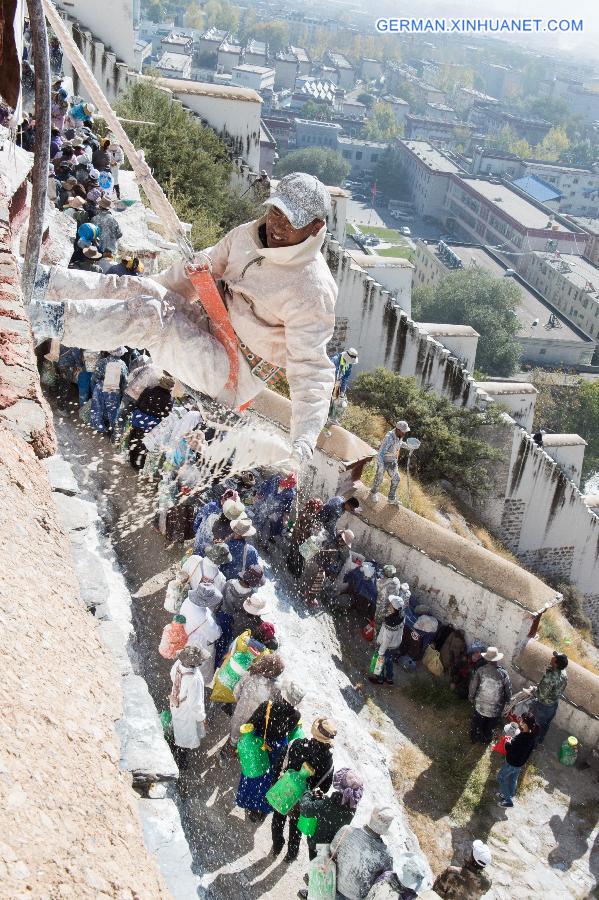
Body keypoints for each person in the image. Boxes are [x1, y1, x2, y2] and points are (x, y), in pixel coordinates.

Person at [29, 172, 337, 465]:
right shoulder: (246, 236)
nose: (277, 227)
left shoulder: (312, 290)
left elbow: (311, 369)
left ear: (315, 227)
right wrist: (146, 293)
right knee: (139, 289)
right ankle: (43, 282)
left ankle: (48, 320)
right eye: (276, 213)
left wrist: (305, 437)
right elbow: (198, 271)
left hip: (233, 371)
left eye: (290, 221)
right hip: (208, 323)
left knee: (150, 318)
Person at [237, 681, 304, 822]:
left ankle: (249, 803)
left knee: (254, 774)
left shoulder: (267, 706)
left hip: (260, 745)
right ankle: (262, 808)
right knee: (269, 779)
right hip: (278, 750)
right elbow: (289, 731)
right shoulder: (296, 715)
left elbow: (251, 723)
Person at [271, 717, 336, 862]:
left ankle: (277, 845)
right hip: (302, 800)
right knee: (295, 829)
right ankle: (291, 855)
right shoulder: (329, 762)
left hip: (285, 790)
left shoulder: (297, 743)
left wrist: (275, 782)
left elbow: (280, 763)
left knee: (278, 819)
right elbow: (325, 788)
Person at [299, 767, 363, 862]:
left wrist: (308, 794)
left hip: (317, 844)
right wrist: (323, 798)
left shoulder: (327, 804)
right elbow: (336, 810)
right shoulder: (352, 809)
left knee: (314, 865)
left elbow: (306, 809)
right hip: (332, 847)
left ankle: (312, 875)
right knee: (324, 869)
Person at [331, 806, 395, 900]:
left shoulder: (346, 830)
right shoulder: (385, 855)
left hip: (332, 888)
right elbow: (384, 881)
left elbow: (332, 850)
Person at [229, 652, 286, 749]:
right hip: (255, 723)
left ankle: (229, 750)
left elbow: (236, 692)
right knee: (246, 740)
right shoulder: (276, 690)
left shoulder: (249, 675)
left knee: (234, 735)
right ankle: (241, 751)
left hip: (239, 715)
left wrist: (241, 702)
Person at [214, 564, 266, 666]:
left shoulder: (229, 583)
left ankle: (215, 655)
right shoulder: (250, 596)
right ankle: (218, 664)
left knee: (217, 639)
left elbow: (221, 598)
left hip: (221, 615)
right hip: (233, 622)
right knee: (224, 644)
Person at [169, 646, 209, 767]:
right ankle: (181, 758)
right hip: (186, 709)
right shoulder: (194, 679)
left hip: (176, 700)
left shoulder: (178, 664)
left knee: (178, 725)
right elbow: (195, 704)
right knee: (186, 734)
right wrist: (201, 718)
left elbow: (172, 675)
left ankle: (175, 744)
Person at [128, 375, 174, 469]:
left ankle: (132, 459)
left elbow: (139, 401)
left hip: (139, 418)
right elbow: (166, 414)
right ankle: (139, 465)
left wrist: (137, 410)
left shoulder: (149, 389)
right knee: (144, 444)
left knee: (134, 437)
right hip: (151, 424)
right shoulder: (168, 398)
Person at [469, 647, 512, 744]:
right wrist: (508, 701)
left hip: (480, 706)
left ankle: (474, 737)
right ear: (497, 659)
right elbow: (508, 690)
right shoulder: (503, 673)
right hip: (495, 709)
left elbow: (473, 686)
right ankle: (486, 739)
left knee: (477, 723)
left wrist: (471, 697)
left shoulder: (480, 670)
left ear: (487, 659)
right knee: (490, 726)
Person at [496, 711, 538, 808]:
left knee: (501, 777)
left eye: (521, 719)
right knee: (513, 780)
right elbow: (527, 752)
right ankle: (509, 795)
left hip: (512, 763)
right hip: (519, 763)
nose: (520, 720)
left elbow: (510, 748)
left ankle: (508, 801)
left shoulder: (522, 738)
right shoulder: (531, 737)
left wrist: (508, 741)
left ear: (524, 723)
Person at [369, 421, 411, 507]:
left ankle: (391, 498)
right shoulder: (389, 437)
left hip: (392, 461)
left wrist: (408, 446)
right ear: (398, 430)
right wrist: (380, 466)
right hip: (383, 461)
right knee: (379, 478)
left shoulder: (400, 436)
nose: (404, 433)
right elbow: (381, 453)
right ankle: (373, 493)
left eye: (405, 431)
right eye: (403, 431)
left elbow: (399, 443)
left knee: (396, 478)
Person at [531, 651, 568, 746]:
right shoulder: (563, 673)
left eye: (554, 657)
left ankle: (533, 744)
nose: (552, 657)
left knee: (537, 725)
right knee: (545, 724)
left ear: (556, 663)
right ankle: (540, 740)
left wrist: (533, 691)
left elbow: (542, 695)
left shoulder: (551, 677)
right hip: (553, 704)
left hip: (543, 706)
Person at [90, 348, 128, 433]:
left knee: (97, 408)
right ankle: (114, 432)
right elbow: (125, 383)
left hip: (99, 387)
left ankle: (98, 427)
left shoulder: (102, 361)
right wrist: (122, 393)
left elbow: (94, 377)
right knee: (113, 412)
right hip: (112, 389)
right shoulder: (122, 365)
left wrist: (95, 388)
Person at [369, 596, 405, 686]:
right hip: (396, 645)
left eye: (390, 605)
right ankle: (389, 679)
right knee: (389, 662)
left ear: (394, 608)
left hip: (386, 647)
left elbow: (386, 641)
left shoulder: (390, 623)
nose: (389, 606)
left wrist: (381, 652)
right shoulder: (402, 616)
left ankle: (379, 679)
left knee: (379, 662)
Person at [252, 473, 297, 543]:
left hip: (276, 510)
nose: (284, 487)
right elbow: (265, 485)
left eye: (286, 487)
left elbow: (288, 504)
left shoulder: (290, 493)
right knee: (259, 519)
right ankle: (257, 534)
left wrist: (286, 513)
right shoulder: (275, 479)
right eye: (283, 484)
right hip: (265, 503)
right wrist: (259, 494)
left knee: (274, 525)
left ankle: (268, 538)